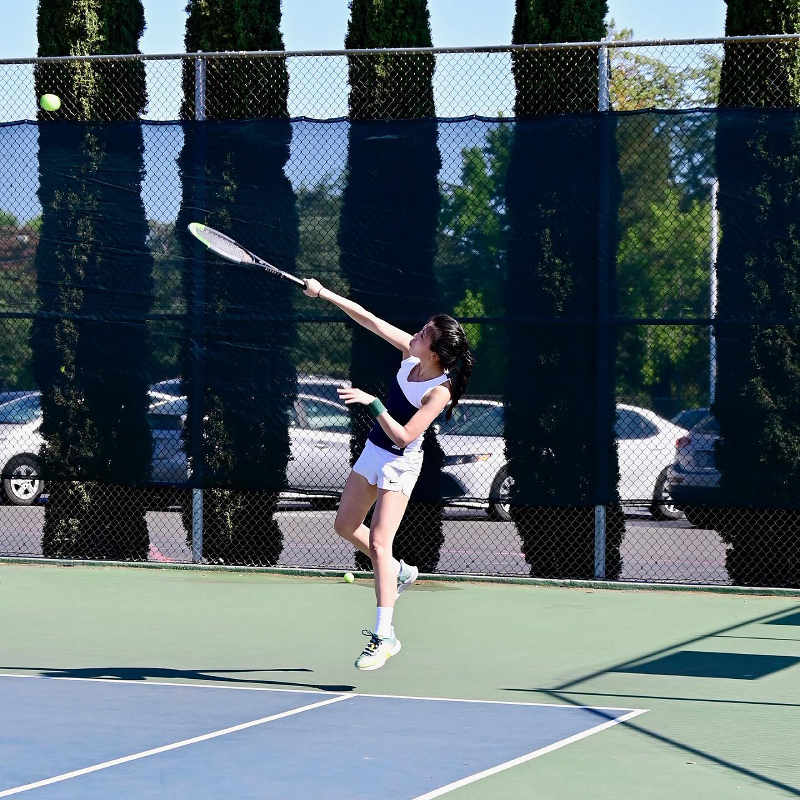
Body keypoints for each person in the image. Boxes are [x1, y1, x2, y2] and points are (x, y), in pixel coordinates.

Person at [303, 278, 474, 670]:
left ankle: (384, 636)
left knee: (380, 543)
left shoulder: (439, 391)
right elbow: (369, 319)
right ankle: (398, 571)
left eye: (424, 334)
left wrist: (373, 402)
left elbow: (404, 436)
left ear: (435, 353)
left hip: (400, 463)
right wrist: (323, 292)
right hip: (373, 451)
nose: (417, 333)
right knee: (345, 526)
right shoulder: (411, 354)